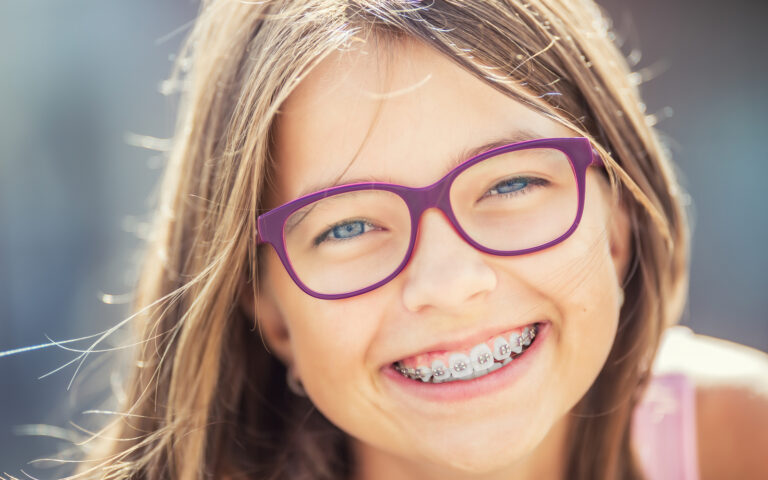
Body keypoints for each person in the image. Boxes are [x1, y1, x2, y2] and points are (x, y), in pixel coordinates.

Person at [70, 1, 768, 479]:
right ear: (272, 312)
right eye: (347, 226)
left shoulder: (743, 442)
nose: (448, 283)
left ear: (616, 226)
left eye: (511, 186)